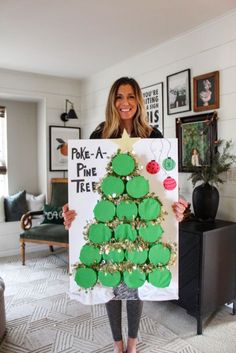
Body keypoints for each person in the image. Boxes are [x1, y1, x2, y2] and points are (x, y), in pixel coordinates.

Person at [63, 77, 188, 353]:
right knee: (110, 280)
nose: (125, 103)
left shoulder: (153, 136)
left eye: (131, 96)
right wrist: (75, 212)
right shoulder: (99, 135)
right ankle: (117, 343)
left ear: (138, 100)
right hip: (110, 219)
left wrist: (175, 207)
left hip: (141, 218)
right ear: (112, 101)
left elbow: (162, 182)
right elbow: (88, 187)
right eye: (119, 97)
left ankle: (132, 343)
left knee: (134, 281)